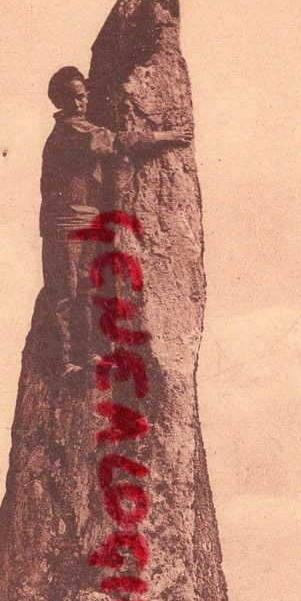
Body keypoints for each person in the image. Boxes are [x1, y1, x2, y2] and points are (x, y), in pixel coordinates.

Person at [39, 66, 192, 375]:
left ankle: (87, 354)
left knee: (86, 289)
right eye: (71, 98)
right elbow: (116, 141)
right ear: (59, 102)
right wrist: (166, 136)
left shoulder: (80, 127)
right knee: (66, 294)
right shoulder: (71, 131)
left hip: (86, 218)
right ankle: (65, 362)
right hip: (65, 222)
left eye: (82, 96)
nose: (79, 104)